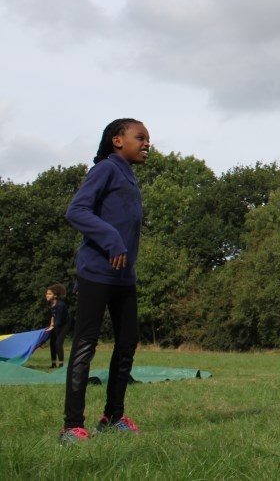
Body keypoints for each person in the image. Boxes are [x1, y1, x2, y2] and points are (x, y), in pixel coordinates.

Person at [60, 118, 150, 444]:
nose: (147, 144)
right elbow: (77, 211)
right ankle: (72, 426)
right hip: (95, 274)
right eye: (140, 137)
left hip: (124, 278)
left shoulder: (130, 176)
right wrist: (111, 238)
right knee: (85, 345)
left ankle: (112, 417)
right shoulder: (106, 169)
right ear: (117, 140)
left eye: (148, 139)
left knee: (127, 343)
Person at [45, 284, 70, 368]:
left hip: (64, 325)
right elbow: (53, 314)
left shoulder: (60, 305)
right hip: (56, 323)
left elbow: (58, 319)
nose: (47, 295)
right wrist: (51, 324)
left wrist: (52, 327)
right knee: (52, 342)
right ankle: (53, 364)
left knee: (58, 343)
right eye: (47, 293)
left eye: (49, 294)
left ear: (55, 296)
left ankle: (61, 364)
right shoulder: (49, 303)